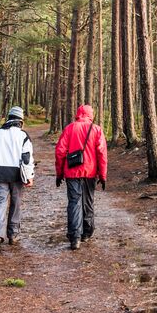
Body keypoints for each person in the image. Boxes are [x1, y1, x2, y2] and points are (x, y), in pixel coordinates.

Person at [54, 104, 107, 250]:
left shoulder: (69, 128)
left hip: (72, 172)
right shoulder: (96, 130)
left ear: (78, 114)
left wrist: (59, 173)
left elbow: (60, 151)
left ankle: (74, 237)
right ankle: (87, 232)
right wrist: (102, 176)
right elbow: (102, 154)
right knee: (88, 201)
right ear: (91, 114)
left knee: (74, 202)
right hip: (90, 172)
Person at [0, 106, 34, 252]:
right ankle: (13, 235)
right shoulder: (23, 136)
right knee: (16, 203)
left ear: (9, 118)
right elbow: (27, 159)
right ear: (20, 121)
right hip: (17, 175)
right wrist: (29, 176)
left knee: (1, 204)